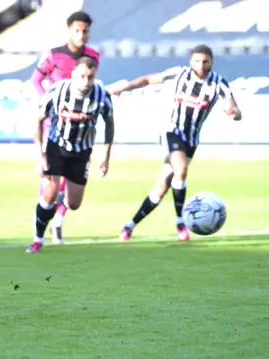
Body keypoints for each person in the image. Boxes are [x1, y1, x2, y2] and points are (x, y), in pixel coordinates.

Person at [111, 44, 242, 242]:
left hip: (191, 140)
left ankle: (129, 225)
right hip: (172, 132)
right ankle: (181, 221)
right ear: (190, 61)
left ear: (211, 62)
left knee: (162, 187)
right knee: (180, 169)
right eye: (197, 61)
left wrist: (234, 114)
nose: (201, 65)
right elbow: (148, 79)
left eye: (205, 61)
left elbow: (235, 108)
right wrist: (125, 87)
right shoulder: (179, 75)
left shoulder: (218, 83)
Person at [27, 56, 114, 253]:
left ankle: (48, 209)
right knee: (49, 192)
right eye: (82, 76)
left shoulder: (101, 95)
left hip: (82, 152)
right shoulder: (57, 92)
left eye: (90, 77)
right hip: (56, 147)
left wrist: (106, 156)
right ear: (73, 74)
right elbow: (38, 120)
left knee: (74, 204)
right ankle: (37, 239)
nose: (85, 82)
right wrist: (40, 155)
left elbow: (109, 123)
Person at [30, 11, 100, 244]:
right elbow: (35, 80)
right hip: (55, 124)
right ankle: (43, 222)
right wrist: (47, 103)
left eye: (85, 31)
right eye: (77, 30)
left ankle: (57, 219)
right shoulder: (54, 55)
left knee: (70, 183)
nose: (81, 35)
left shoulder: (93, 56)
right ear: (69, 30)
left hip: (79, 125)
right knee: (50, 179)